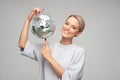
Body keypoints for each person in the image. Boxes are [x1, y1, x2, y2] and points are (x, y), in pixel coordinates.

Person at [18, 7, 85, 80]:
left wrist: (49, 57)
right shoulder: (47, 48)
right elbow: (22, 45)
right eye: (67, 23)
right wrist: (28, 20)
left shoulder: (78, 52)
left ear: (78, 33)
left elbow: (69, 78)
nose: (68, 28)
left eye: (73, 27)